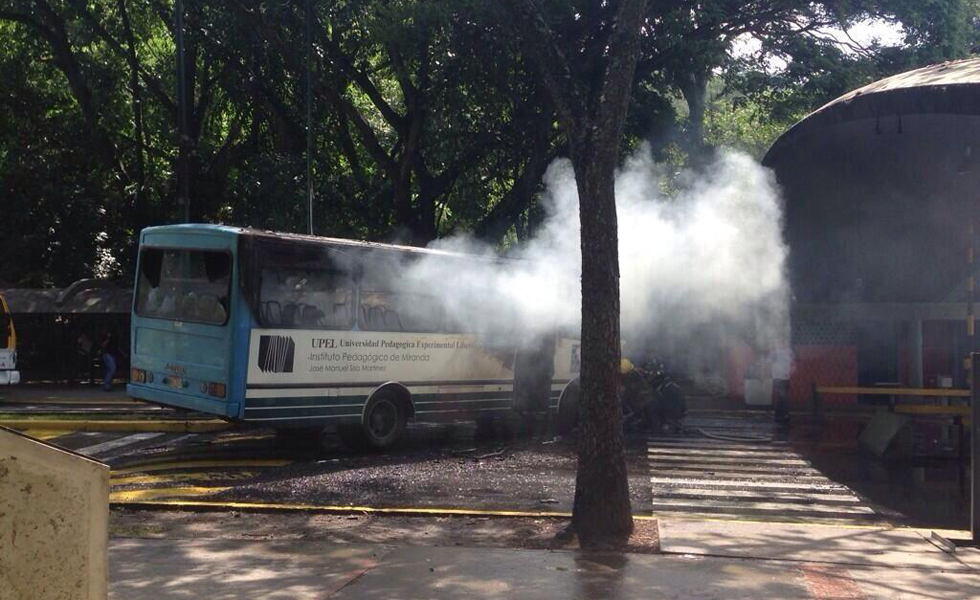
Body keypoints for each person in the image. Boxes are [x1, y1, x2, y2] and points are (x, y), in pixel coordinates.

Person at [769, 345, 794, 424]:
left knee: (782, 396)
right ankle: (784, 414)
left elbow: (792, 362)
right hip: (778, 377)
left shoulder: (789, 351)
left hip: (785, 377)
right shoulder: (774, 351)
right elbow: (769, 362)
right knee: (782, 396)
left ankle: (779, 414)